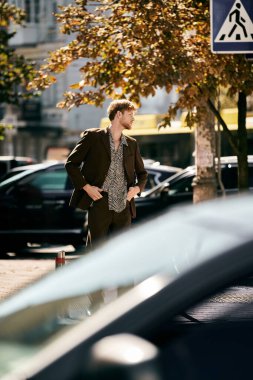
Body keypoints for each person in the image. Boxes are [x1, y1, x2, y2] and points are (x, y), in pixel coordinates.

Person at [65, 99, 148, 246]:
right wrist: (86, 187)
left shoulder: (132, 144)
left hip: (124, 206)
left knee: (121, 252)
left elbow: (142, 174)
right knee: (96, 251)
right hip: (99, 202)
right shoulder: (93, 137)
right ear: (118, 115)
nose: (133, 118)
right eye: (130, 114)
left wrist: (136, 189)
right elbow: (71, 164)